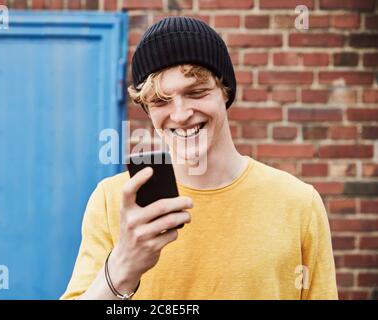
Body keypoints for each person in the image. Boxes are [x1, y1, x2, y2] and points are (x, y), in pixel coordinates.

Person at [61, 16, 338, 300]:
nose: (180, 115)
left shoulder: (300, 204)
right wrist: (122, 267)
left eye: (196, 92)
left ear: (225, 92)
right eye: (160, 100)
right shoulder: (113, 201)